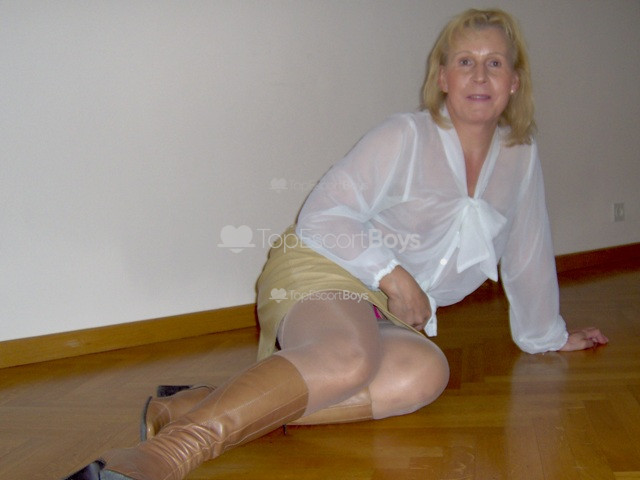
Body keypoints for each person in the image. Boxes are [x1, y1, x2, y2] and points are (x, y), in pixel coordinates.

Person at [64, 8, 608, 480]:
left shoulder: (519, 156)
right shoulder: (406, 136)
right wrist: (396, 276)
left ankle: (193, 407)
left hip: (385, 305)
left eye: (495, 62)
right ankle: (167, 454)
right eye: (465, 61)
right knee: (348, 358)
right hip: (323, 263)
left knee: (423, 375)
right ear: (442, 77)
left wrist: (547, 335)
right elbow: (322, 215)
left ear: (515, 81)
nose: (480, 75)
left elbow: (529, 247)